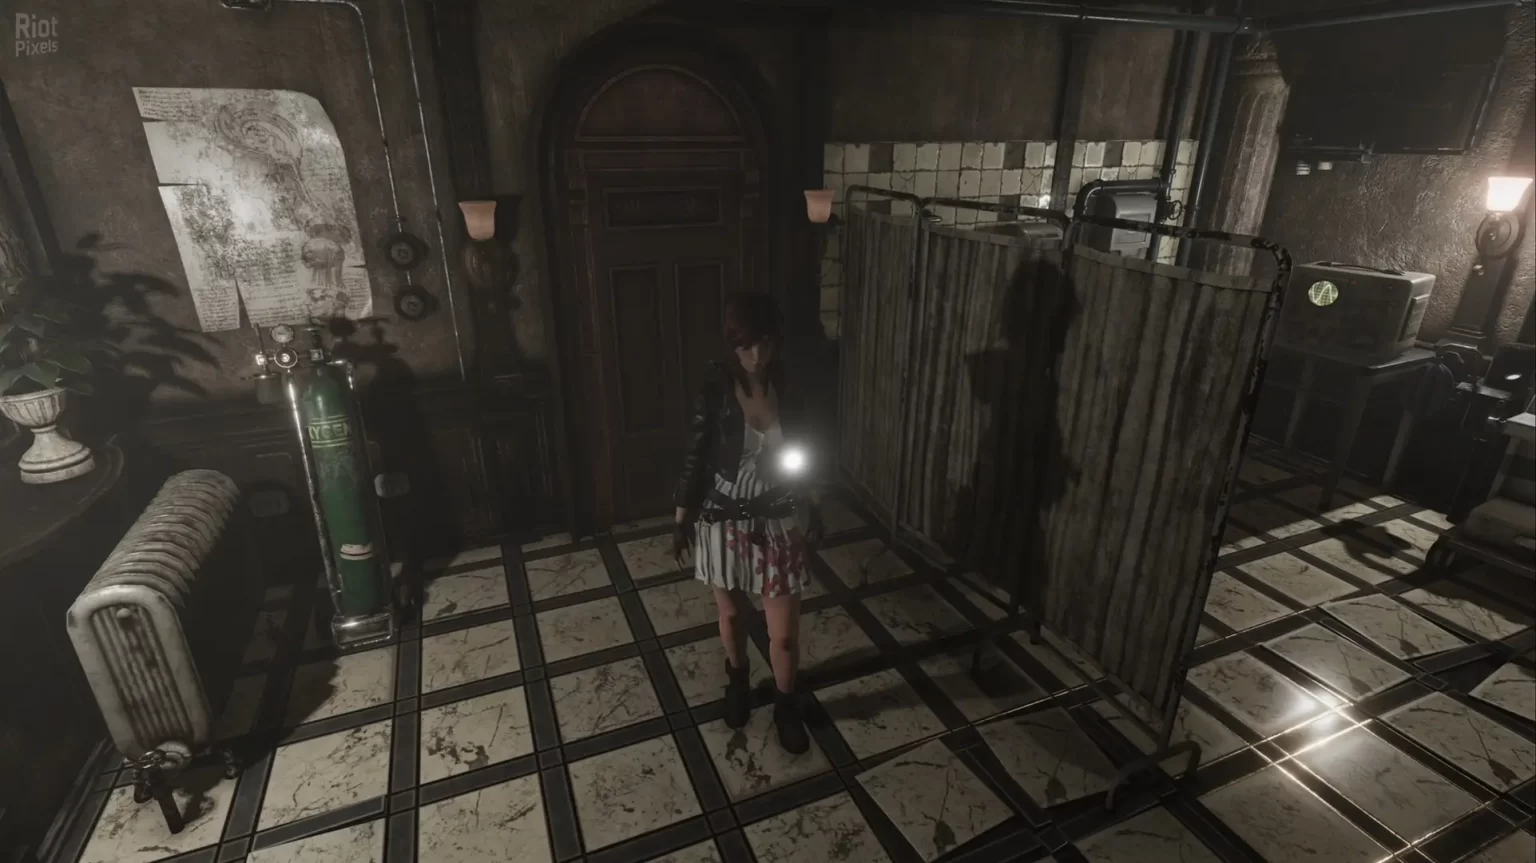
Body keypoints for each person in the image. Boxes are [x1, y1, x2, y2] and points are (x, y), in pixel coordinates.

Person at [671, 293, 824, 754]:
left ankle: (785, 703)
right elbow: (696, 456)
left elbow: (808, 445)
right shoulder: (715, 391)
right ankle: (737, 679)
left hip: (775, 517)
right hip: (723, 518)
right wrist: (681, 519)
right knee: (734, 614)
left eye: (765, 344)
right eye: (746, 346)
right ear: (732, 344)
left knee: (784, 635)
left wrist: (814, 502)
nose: (756, 356)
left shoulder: (787, 386)